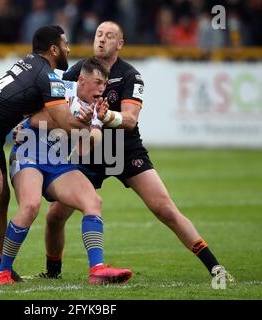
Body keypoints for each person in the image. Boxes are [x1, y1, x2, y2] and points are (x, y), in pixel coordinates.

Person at [39, 21, 234, 282]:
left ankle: (215, 268)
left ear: (119, 44)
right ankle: (52, 274)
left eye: (109, 36)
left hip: (125, 151)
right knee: (54, 216)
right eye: (98, 34)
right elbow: (58, 106)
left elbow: (130, 120)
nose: (101, 40)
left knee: (165, 209)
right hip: (90, 153)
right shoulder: (79, 71)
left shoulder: (130, 75)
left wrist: (106, 116)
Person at [0, 25, 93, 285]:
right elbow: (64, 122)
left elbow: (31, 110)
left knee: (0, 198)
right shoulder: (47, 76)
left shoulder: (29, 64)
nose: (69, 49)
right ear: (54, 48)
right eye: (65, 44)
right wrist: (91, 120)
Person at [0, 57, 132, 285]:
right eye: (97, 82)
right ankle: (3, 272)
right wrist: (73, 123)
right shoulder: (59, 89)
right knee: (30, 206)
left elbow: (83, 149)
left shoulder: (97, 107)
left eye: (104, 84)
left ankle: (97, 269)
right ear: (81, 81)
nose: (101, 89)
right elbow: (36, 120)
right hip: (30, 154)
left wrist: (88, 126)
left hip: (58, 163)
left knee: (93, 202)